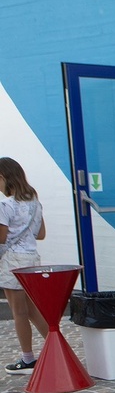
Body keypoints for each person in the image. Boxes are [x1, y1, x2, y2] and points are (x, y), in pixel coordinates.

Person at [0, 158, 49, 375]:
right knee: (32, 310)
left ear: (3, 177)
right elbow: (41, 234)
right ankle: (59, 348)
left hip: (12, 261)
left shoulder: (5, 205)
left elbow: (1, 239)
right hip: (31, 260)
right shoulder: (34, 202)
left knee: (18, 312)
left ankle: (28, 359)